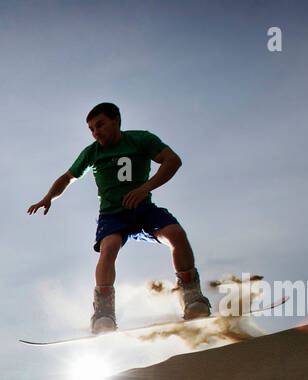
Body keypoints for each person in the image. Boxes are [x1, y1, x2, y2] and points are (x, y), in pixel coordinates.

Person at [27, 102, 210, 333]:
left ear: (117, 121)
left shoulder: (141, 140)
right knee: (110, 246)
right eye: (91, 129)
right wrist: (48, 198)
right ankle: (103, 312)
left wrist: (145, 188)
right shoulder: (92, 152)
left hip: (143, 209)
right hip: (112, 216)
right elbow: (67, 177)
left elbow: (173, 161)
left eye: (100, 125)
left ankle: (192, 297)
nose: (96, 132)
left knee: (175, 233)